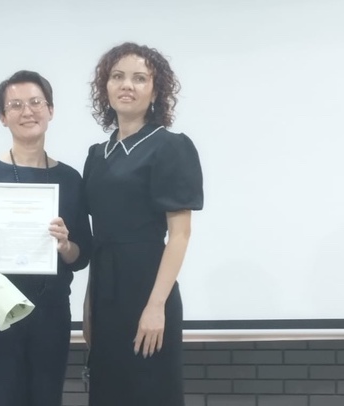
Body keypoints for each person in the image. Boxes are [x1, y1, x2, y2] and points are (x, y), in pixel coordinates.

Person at [0, 70, 92, 406]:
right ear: (3, 117)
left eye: (35, 103)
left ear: (50, 110)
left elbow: (82, 255)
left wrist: (65, 245)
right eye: (15, 105)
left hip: (50, 314)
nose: (27, 111)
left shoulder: (70, 179)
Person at [82, 42, 204, 406]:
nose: (127, 85)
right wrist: (88, 304)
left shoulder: (170, 147)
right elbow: (98, 237)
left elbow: (180, 234)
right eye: (117, 76)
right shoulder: (96, 155)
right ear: (105, 87)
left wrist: (156, 306)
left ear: (155, 90)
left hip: (148, 287)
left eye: (139, 78)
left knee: (150, 391)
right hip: (105, 291)